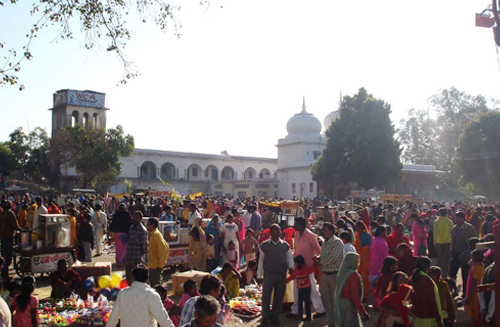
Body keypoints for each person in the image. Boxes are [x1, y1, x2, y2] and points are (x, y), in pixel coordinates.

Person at [107, 265, 175, 327]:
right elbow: (163, 319)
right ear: (147, 278)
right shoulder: (152, 295)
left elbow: (113, 318)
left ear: (133, 277)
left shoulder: (122, 293)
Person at [257, 224, 294, 327]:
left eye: (279, 230)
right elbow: (261, 261)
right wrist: (259, 276)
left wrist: (291, 267)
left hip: (281, 274)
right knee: (266, 297)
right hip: (269, 274)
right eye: (276, 230)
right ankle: (265, 319)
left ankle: (275, 318)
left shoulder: (285, 245)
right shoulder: (264, 245)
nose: (279, 232)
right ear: (271, 232)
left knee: (279, 297)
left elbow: (289, 258)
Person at [289, 217, 325, 319]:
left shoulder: (310, 236)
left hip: (308, 267)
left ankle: (320, 309)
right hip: (297, 266)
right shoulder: (296, 235)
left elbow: (318, 251)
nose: (294, 225)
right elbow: (296, 249)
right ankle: (296, 310)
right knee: (296, 288)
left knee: (312, 288)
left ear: (300, 225)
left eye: (295, 224)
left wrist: (316, 260)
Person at [316, 222, 344, 327]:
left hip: (335, 275)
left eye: (325, 230)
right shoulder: (325, 243)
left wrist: (320, 261)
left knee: (336, 301)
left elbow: (333, 257)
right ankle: (331, 323)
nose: (323, 233)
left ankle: (339, 323)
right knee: (327, 301)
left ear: (331, 231)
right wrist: (318, 258)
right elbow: (324, 256)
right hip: (325, 274)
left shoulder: (337, 242)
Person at [334, 252, 369, 327]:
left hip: (341, 303)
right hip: (349, 306)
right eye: (358, 261)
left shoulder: (342, 272)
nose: (358, 264)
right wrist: (363, 312)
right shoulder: (353, 275)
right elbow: (354, 296)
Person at [409, 257, 443, 327]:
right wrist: (438, 319)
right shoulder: (427, 280)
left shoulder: (412, 278)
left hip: (414, 315)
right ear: (427, 267)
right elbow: (433, 301)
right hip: (427, 316)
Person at [450, 211, 478, 296]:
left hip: (466, 254)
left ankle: (465, 292)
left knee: (465, 274)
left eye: (458, 218)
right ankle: (453, 290)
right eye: (456, 218)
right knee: (452, 273)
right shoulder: (455, 228)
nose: (456, 220)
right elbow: (453, 239)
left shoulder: (469, 228)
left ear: (462, 218)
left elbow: (475, 239)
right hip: (456, 252)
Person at [286, 255, 314, 321]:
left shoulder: (306, 268)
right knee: (300, 302)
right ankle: (300, 314)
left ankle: (308, 316)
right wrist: (286, 280)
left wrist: (314, 262)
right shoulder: (297, 269)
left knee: (307, 302)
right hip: (300, 288)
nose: (295, 264)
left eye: (295, 263)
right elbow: (293, 276)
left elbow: (312, 269)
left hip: (306, 288)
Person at [125, 211, 148, 285]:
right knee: (128, 276)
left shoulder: (143, 231)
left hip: (137, 258)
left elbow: (144, 246)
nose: (134, 219)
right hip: (129, 257)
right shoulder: (131, 228)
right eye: (134, 217)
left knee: (136, 279)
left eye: (136, 218)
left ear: (141, 219)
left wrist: (142, 259)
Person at [0, 201, 20, 281]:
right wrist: (23, 230)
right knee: (8, 258)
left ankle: (4, 274)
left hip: (2, 238)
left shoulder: (1, 214)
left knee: (4, 255)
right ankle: (5, 276)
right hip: (9, 237)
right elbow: (15, 226)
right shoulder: (10, 214)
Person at [147, 217, 169, 286]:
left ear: (152, 225)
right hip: (152, 264)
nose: (146, 226)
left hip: (155, 265)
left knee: (156, 285)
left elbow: (163, 249)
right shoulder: (153, 234)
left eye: (148, 224)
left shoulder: (156, 235)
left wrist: (161, 264)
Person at [465, 250, 484, 327]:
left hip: (475, 294)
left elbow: (473, 283)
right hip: (480, 293)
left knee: (476, 314)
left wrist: (469, 296)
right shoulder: (482, 266)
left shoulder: (475, 268)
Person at [353, 221, 371, 299]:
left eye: (357, 227)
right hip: (358, 258)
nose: (356, 229)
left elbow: (370, 247)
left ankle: (364, 294)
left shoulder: (366, 235)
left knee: (364, 276)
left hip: (365, 259)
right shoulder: (357, 235)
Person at [434, 208, 454, 278]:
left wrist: (435, 243)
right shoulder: (450, 221)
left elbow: (435, 233)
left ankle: (442, 273)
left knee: (441, 258)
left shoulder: (436, 221)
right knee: (446, 258)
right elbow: (452, 232)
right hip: (448, 242)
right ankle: (445, 273)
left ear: (439, 213)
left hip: (439, 242)